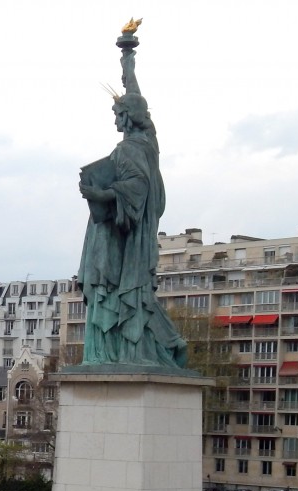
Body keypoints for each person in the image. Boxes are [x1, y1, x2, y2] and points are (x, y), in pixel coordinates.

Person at [76, 29, 187, 371]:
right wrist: (127, 60)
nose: (115, 119)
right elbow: (137, 98)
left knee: (117, 287)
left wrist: (100, 194)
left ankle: (131, 349)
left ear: (127, 116)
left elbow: (135, 188)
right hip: (127, 223)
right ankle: (144, 346)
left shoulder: (130, 149)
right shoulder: (147, 138)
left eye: (118, 114)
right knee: (118, 288)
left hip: (128, 229)